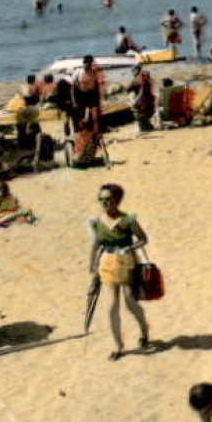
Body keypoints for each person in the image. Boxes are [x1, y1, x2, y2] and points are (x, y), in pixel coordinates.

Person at [87, 182, 151, 360]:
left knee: (130, 302)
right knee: (111, 306)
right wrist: (92, 269)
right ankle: (118, 346)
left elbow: (143, 239)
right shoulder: (96, 221)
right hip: (107, 262)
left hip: (126, 262)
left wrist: (129, 249)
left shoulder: (128, 220)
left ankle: (144, 329)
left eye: (108, 199)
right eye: (101, 199)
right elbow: (95, 245)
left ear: (118, 199)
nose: (104, 203)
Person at [72, 56, 106, 167]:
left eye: (89, 63)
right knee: (83, 125)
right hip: (81, 99)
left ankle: (90, 153)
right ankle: (81, 152)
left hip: (91, 98)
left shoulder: (94, 73)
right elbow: (73, 89)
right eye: (86, 63)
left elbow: (97, 88)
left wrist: (98, 103)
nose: (87, 65)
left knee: (94, 125)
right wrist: (75, 103)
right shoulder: (78, 72)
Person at [129, 64, 157, 132]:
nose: (132, 72)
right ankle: (146, 124)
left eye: (133, 71)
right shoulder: (147, 79)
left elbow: (141, 92)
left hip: (144, 106)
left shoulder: (138, 80)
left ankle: (144, 126)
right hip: (151, 106)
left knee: (135, 107)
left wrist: (134, 102)